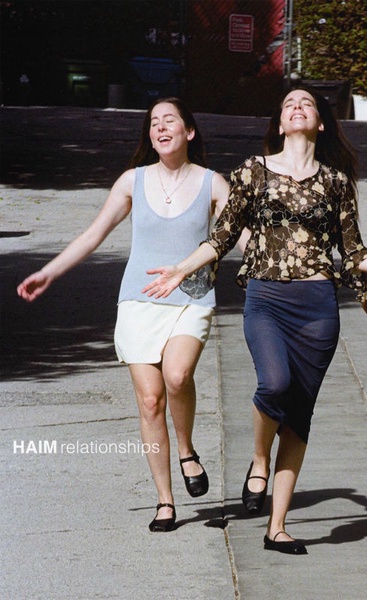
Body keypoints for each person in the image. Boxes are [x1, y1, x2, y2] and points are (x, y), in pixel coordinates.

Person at [142, 84, 367, 554]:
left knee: (299, 414)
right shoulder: (253, 171)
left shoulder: (335, 182)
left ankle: (277, 527)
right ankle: (258, 459)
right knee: (274, 384)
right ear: (279, 122)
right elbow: (222, 237)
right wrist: (181, 270)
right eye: (289, 103)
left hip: (318, 309)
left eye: (306, 103)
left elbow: (355, 253)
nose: (296, 107)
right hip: (267, 300)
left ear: (320, 122)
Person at [17, 97, 232, 533]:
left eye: (169, 120)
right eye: (153, 123)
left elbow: (238, 238)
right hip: (138, 301)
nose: (160, 128)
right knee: (150, 401)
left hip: (191, 297)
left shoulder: (213, 184)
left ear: (189, 131)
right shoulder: (133, 181)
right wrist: (48, 272)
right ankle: (165, 500)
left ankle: (186, 449)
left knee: (177, 376)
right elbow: (93, 235)